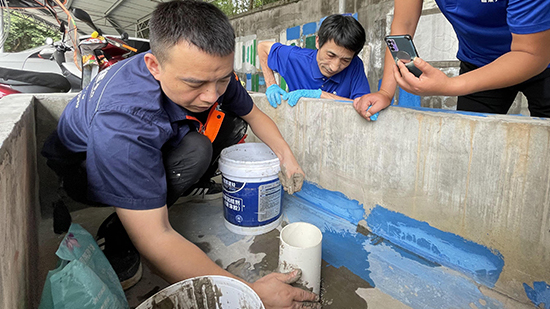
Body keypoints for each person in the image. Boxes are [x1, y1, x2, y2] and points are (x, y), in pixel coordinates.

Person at [41, 1, 320, 308]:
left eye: (223, 80)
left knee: (221, 128)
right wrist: (249, 293)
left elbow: (254, 115)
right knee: (184, 169)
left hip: (132, 145)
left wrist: (287, 158)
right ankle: (120, 229)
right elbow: (157, 241)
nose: (211, 95)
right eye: (195, 84)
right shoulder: (124, 124)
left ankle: (149, 199)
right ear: (153, 66)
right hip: (84, 173)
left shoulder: (206, 69)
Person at [354, 0, 550, 120]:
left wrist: (449, 85)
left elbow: (531, 54)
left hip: (543, 61)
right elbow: (403, 25)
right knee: (469, 153)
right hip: (478, 62)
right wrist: (386, 92)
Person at [258, 14, 371, 108]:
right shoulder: (294, 57)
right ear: (318, 42)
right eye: (330, 55)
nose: (334, 67)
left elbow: (363, 106)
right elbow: (263, 47)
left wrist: (320, 95)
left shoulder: (355, 65)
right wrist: (271, 84)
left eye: (345, 60)